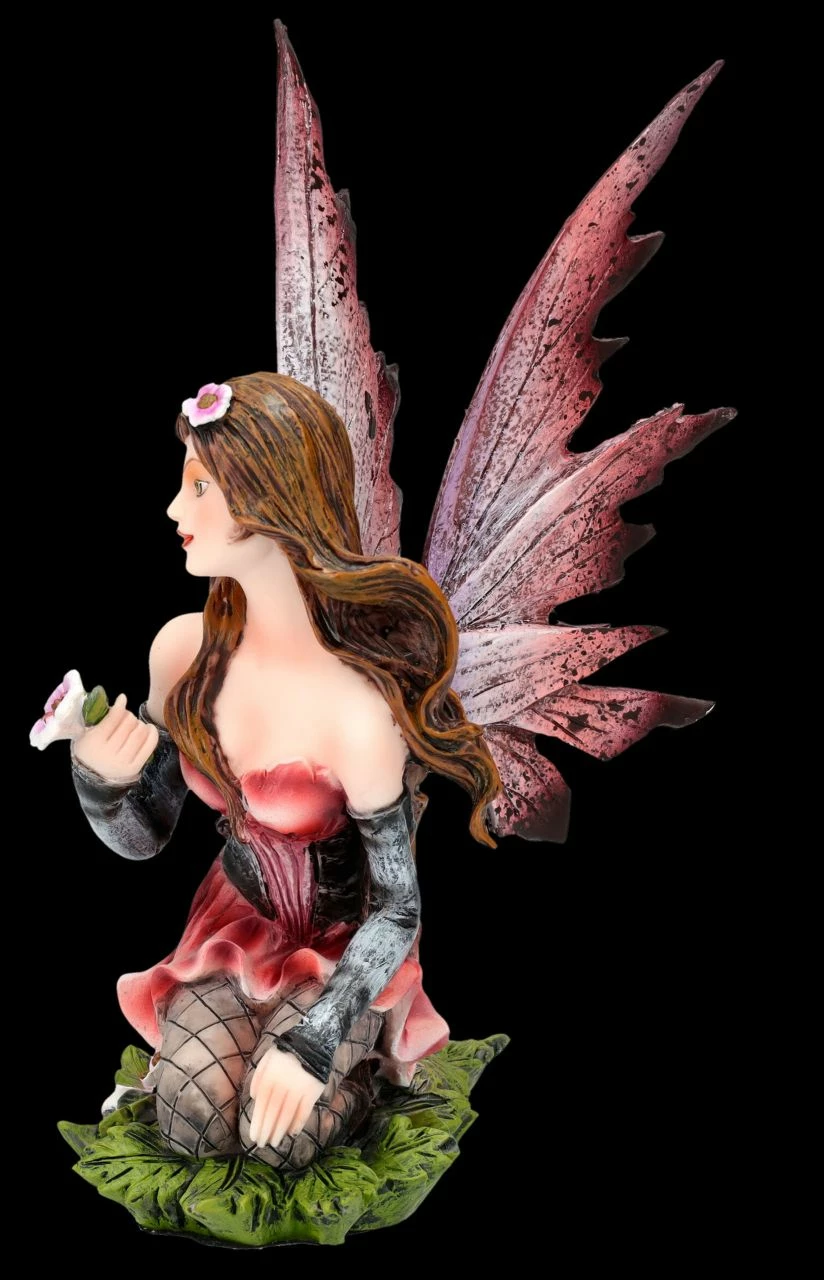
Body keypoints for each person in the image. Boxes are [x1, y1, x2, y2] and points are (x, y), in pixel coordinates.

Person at [69, 371, 502, 1172]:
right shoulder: (185, 653)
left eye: (201, 486)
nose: (175, 509)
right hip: (234, 925)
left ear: (272, 497)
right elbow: (144, 837)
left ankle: (374, 1076)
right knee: (193, 1119)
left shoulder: (358, 706)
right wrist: (101, 781)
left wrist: (315, 1041)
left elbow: (398, 908)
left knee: (280, 1142)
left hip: (346, 943)